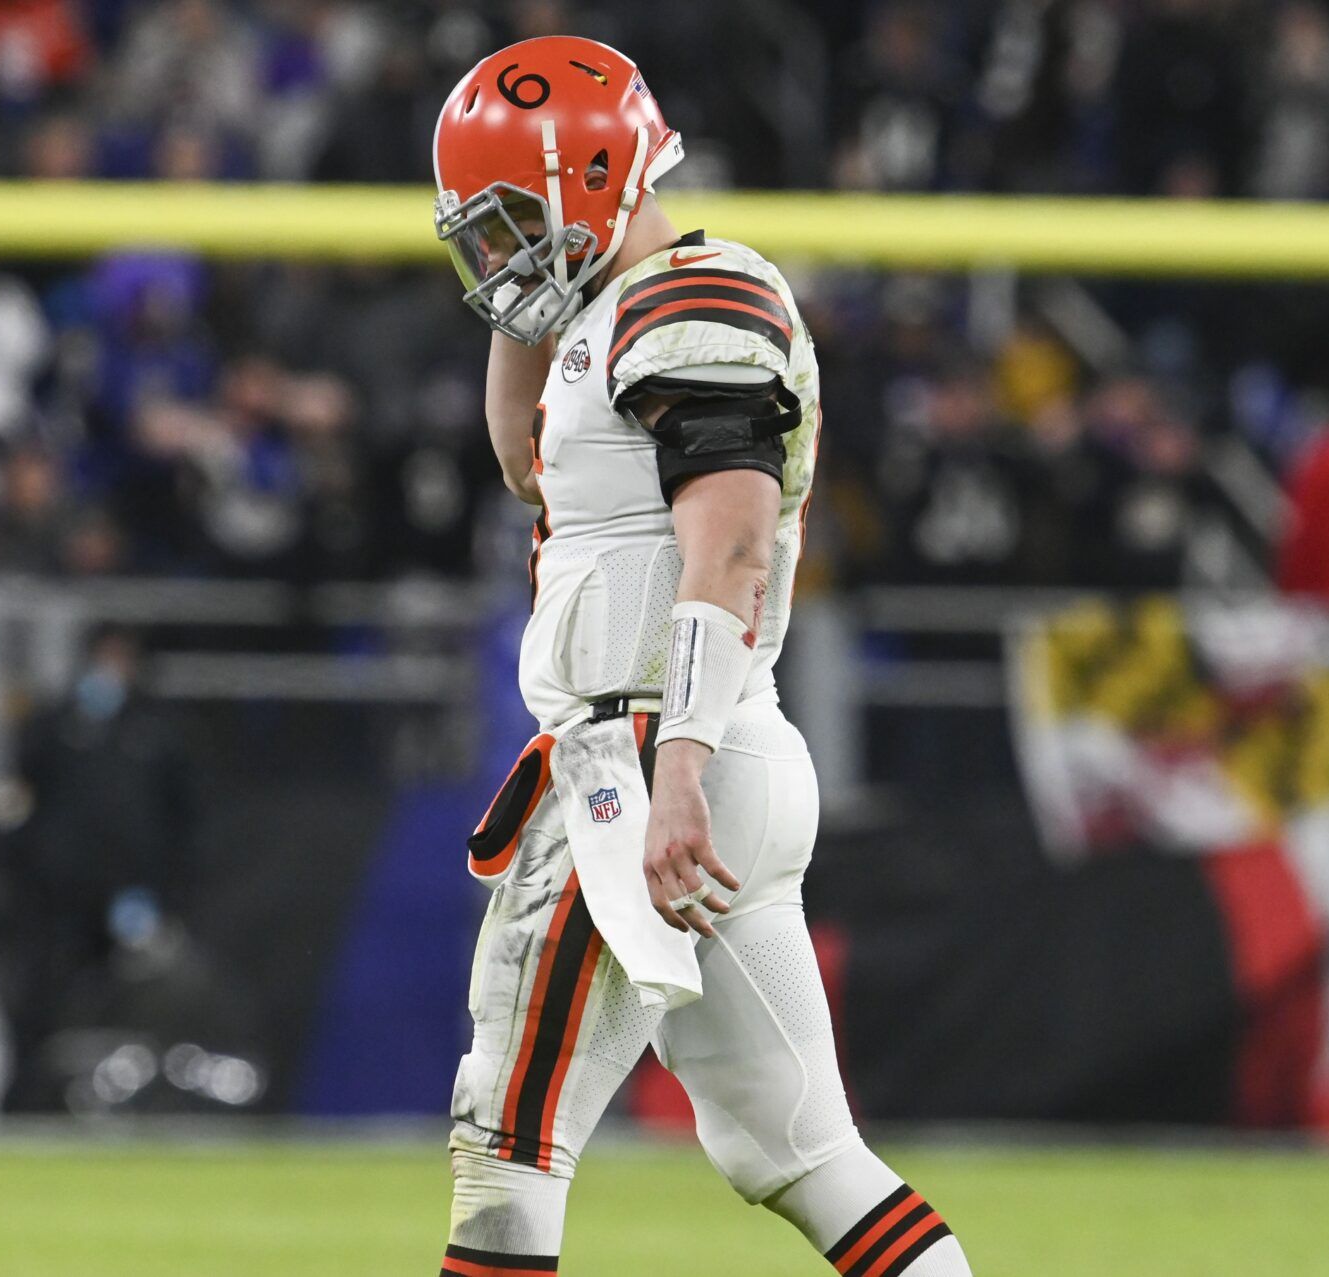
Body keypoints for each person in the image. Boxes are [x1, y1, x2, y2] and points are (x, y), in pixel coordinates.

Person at [430, 38, 971, 1277]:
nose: (499, 251)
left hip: (649, 756)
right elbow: (528, 458)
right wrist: (527, 297)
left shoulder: (698, 297)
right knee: (802, 1151)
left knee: (507, 1136)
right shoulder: (613, 310)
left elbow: (726, 550)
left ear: (600, 173)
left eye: (515, 218)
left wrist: (673, 769)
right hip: (705, 752)